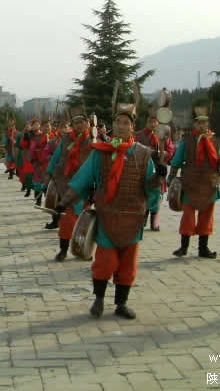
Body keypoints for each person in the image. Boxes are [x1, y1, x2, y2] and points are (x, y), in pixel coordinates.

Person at [57, 102, 165, 319]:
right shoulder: (101, 153)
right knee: (105, 262)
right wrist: (65, 201)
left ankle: (121, 304)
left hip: (133, 218)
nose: (121, 126)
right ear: (113, 125)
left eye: (126, 123)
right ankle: (98, 299)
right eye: (118, 122)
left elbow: (151, 188)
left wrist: (158, 178)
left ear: (132, 127)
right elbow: (83, 178)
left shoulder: (143, 155)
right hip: (107, 216)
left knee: (128, 264)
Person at [168, 101, 220, 258]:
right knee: (188, 217)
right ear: (194, 124)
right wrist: (171, 177)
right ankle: (184, 247)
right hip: (190, 184)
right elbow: (177, 160)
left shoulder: (216, 142)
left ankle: (203, 248)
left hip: (209, 184)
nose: (201, 125)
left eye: (204, 122)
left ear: (208, 123)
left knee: (206, 217)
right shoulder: (187, 140)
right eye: (198, 122)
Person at [45, 108, 92, 258]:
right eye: (76, 123)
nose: (79, 125)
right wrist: (49, 174)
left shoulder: (93, 140)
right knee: (67, 219)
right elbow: (56, 157)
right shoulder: (66, 139)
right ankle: (63, 250)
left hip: (86, 185)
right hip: (67, 183)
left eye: (81, 122)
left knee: (85, 220)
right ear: (72, 125)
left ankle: (84, 249)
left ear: (87, 123)